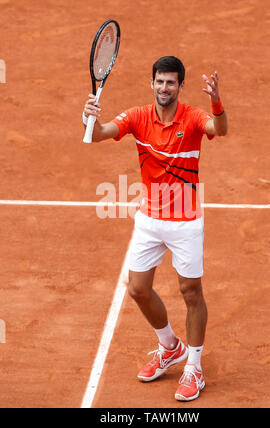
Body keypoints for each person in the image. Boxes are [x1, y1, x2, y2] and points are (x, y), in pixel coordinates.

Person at [82, 56, 228, 401]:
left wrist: (217, 101)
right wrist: (90, 117)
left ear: (180, 86)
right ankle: (170, 346)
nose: (165, 88)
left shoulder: (192, 118)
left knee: (191, 292)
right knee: (137, 289)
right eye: (160, 82)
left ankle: (194, 367)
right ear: (152, 84)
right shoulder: (137, 116)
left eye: (171, 83)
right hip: (149, 219)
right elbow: (99, 135)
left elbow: (219, 130)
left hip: (186, 221)